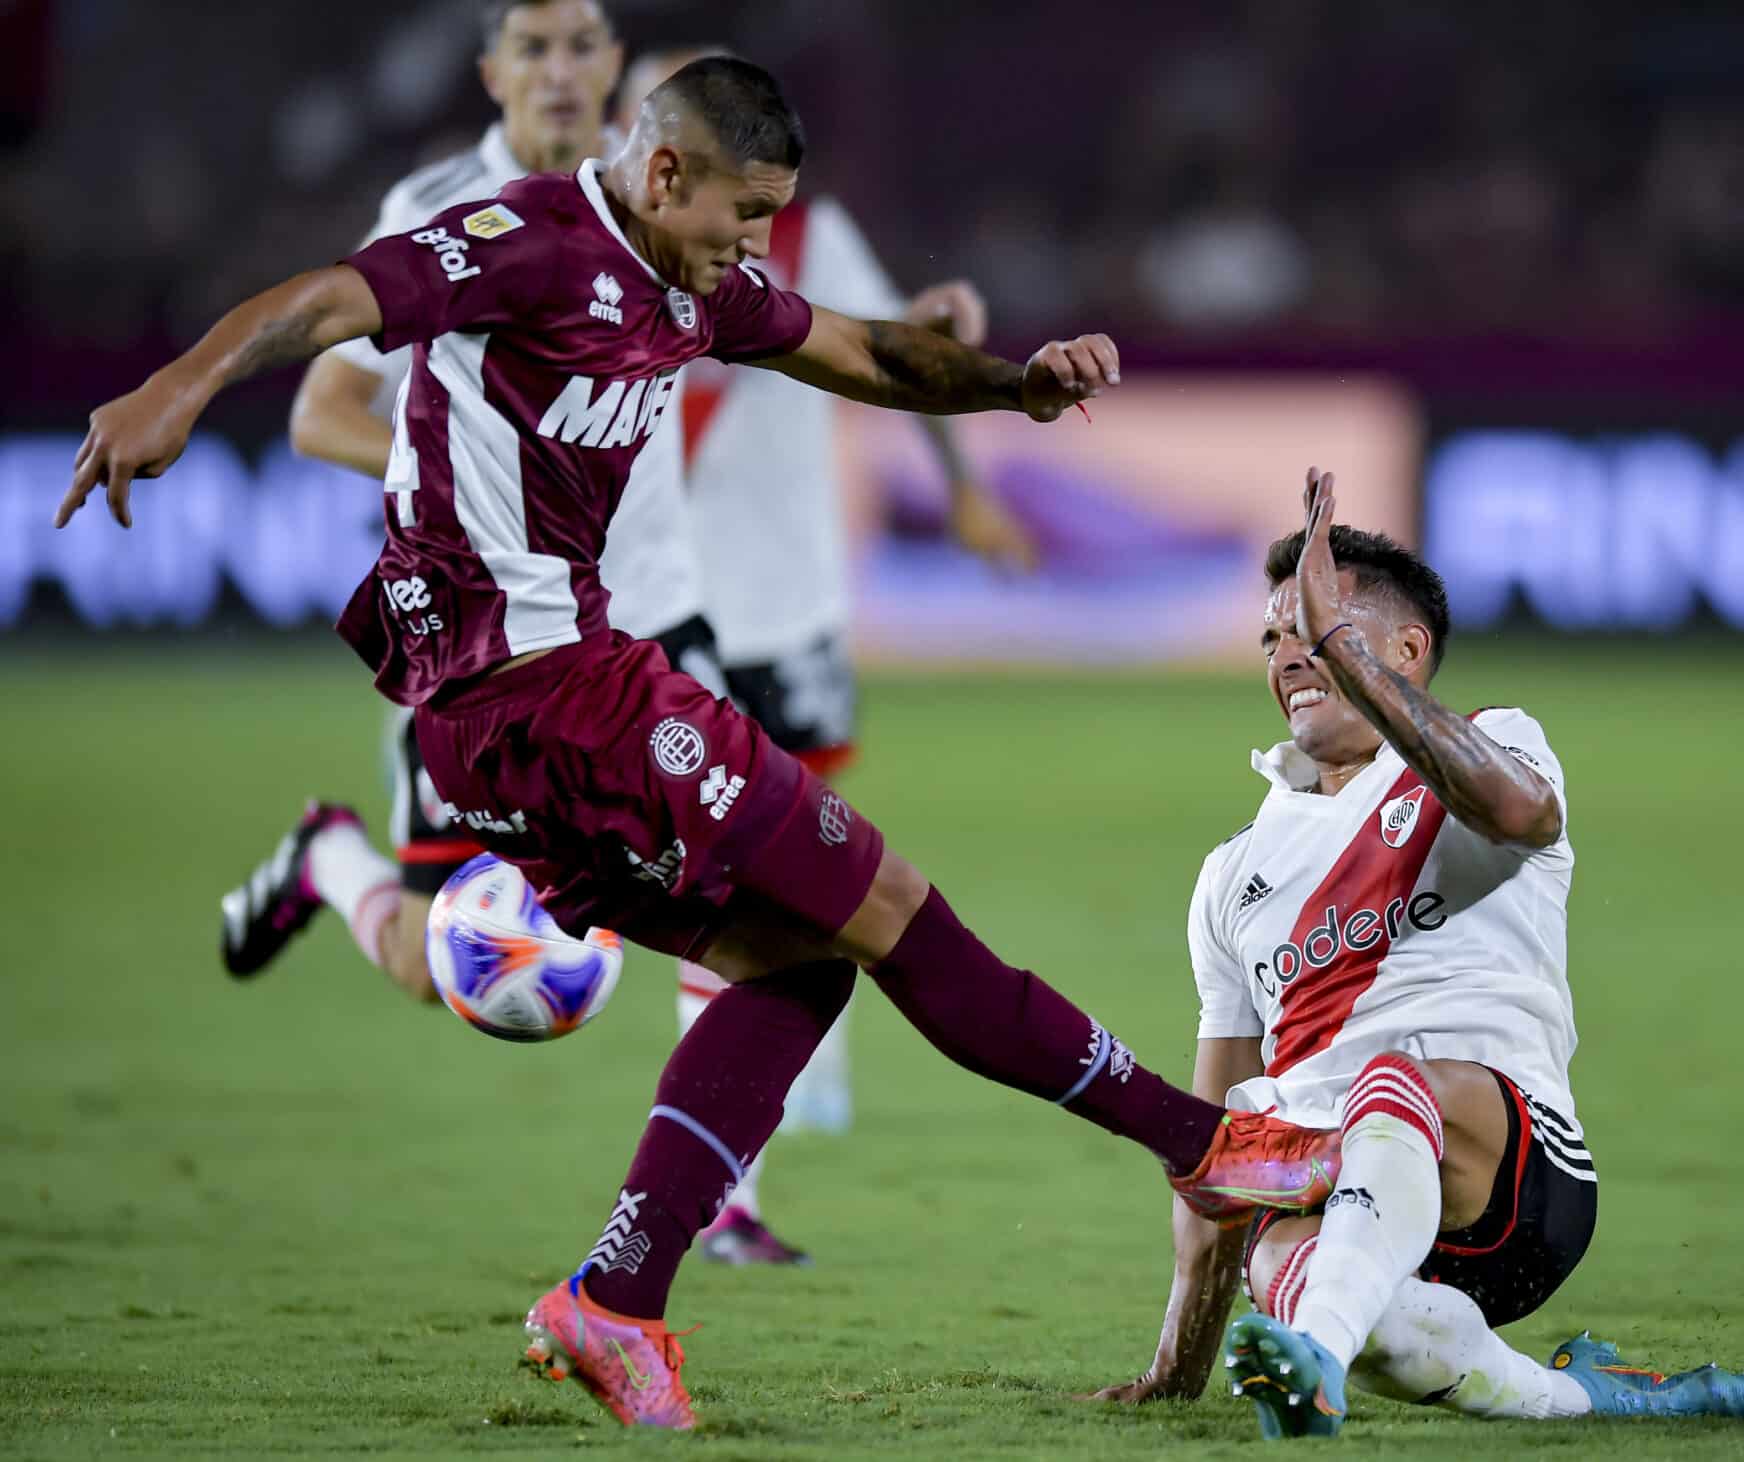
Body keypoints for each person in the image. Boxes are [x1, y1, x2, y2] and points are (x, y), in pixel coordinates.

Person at [56, 57, 1342, 1432]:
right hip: (555, 694)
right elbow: (324, 300)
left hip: (518, 720)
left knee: (798, 970)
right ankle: (1204, 1146)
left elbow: (858, 350)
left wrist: (1015, 386)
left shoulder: (695, 285)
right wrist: (176, 391)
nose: (757, 240)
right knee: (893, 908)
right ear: (665, 174)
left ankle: (615, 1298)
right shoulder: (524, 244)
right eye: (746, 210)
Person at [1091, 470, 1744, 1437]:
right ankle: (1596, 1395)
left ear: (1405, 651)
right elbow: (1216, 1144)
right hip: (1335, 1193)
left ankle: (1316, 1356)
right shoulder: (1231, 875)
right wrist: (1174, 1371)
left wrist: (1349, 658)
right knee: (1289, 1260)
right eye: (1274, 637)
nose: (1288, 654)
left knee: (1387, 1080)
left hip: (1509, 1175)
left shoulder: (1495, 743)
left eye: (1318, 627)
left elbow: (1518, 814)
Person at [219, 0, 740, 1008]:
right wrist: (490, 480)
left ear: (615, 67)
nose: (558, 70)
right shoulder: (436, 205)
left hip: (653, 606)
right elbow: (321, 415)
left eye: (580, 46)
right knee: (431, 969)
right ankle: (330, 857)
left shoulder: (666, 194)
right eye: (531, 49)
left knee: (730, 883)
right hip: (485, 648)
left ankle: (719, 1176)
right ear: (491, 73)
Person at [614, 48, 1041, 1266]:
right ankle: (726, 1180)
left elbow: (880, 350)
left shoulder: (796, 241)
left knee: (803, 856)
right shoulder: (597, 254)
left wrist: (962, 465)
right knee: (712, 875)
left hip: (788, 600)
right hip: (663, 607)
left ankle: (766, 1118)